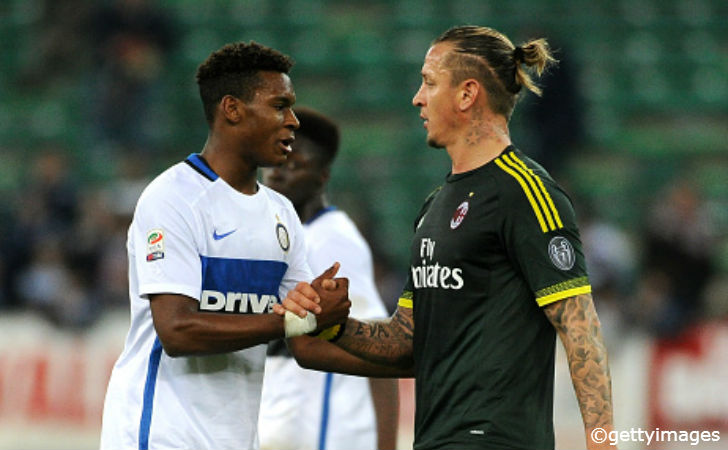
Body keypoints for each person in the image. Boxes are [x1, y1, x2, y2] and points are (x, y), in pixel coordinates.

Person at [281, 25, 615, 450]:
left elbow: (580, 325)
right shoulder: (434, 206)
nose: (417, 98)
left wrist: (603, 443)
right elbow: (406, 341)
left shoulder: (526, 192)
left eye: (429, 82)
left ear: (467, 94)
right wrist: (334, 325)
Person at [99, 41, 352, 450]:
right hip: (160, 434)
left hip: (233, 438)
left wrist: (409, 351)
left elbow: (305, 342)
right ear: (232, 109)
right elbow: (177, 331)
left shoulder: (282, 214)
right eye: (280, 106)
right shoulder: (173, 198)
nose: (293, 121)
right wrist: (293, 322)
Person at [259, 107, 399, 450]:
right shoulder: (282, 238)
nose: (278, 173)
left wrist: (387, 446)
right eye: (275, 161)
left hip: (328, 434)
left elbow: (378, 350)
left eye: (295, 165)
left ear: (322, 176)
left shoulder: (332, 240)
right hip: (284, 427)